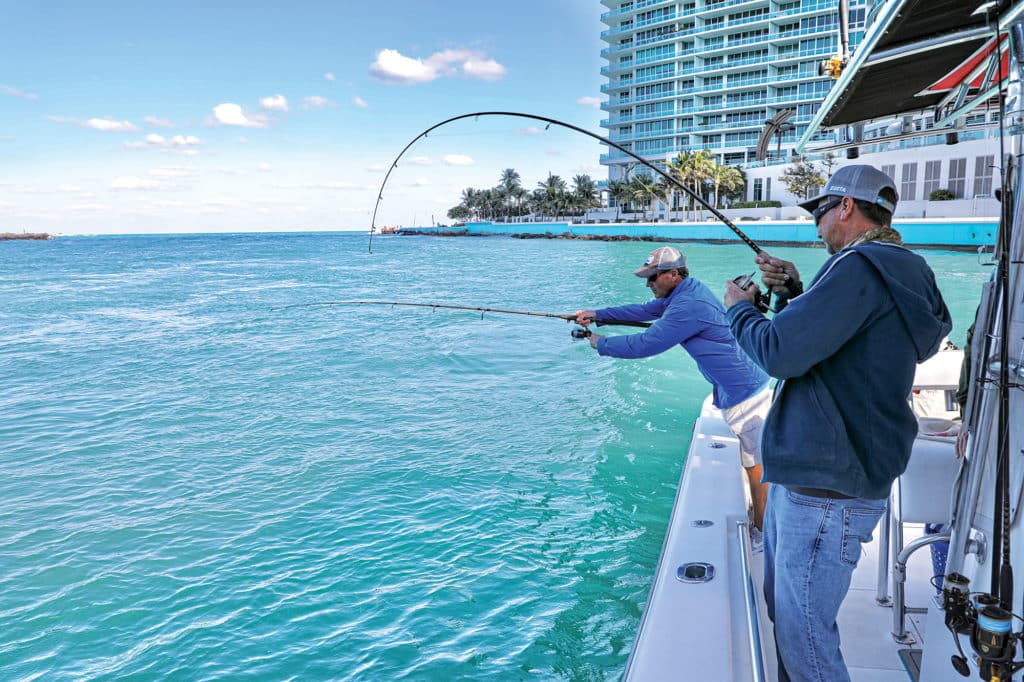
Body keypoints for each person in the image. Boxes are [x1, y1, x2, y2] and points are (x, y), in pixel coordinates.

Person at [723, 164, 951, 682]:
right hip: (829, 476)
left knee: (805, 640)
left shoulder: (858, 268)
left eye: (821, 212)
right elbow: (838, 345)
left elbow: (779, 353)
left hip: (823, 487)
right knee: (791, 619)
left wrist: (741, 310)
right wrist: (793, 293)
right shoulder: (904, 270)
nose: (817, 226)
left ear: (846, 207)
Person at [573, 245, 773, 530]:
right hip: (741, 383)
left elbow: (645, 344)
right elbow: (644, 311)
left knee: (755, 464)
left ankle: (762, 528)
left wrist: (599, 342)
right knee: (751, 458)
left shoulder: (687, 306)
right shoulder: (687, 290)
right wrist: (596, 314)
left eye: (652, 277)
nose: (648, 283)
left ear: (673, 275)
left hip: (744, 391)